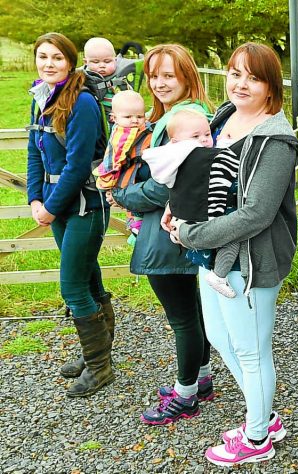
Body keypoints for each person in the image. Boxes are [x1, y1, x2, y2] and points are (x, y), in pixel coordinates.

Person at [166, 42, 297, 467]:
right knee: (221, 339)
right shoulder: (223, 117)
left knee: (251, 350)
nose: (241, 84)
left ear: (271, 86)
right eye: (235, 73)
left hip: (250, 260)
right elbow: (197, 171)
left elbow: (257, 213)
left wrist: (192, 234)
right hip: (211, 255)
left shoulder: (276, 140)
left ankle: (257, 435)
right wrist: (176, 210)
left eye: (253, 77)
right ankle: (266, 416)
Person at [107, 44, 214, 425]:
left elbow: (163, 185)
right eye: (154, 75)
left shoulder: (187, 120)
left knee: (182, 317)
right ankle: (201, 379)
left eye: (169, 75)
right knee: (191, 311)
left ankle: (185, 395)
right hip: (169, 230)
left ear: (187, 75)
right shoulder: (174, 116)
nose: (159, 82)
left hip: (167, 233)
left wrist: (120, 194)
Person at [27, 32, 113, 397]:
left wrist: (49, 208)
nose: (49, 63)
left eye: (57, 58)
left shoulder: (83, 102)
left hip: (84, 206)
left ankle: (99, 369)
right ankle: (96, 353)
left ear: (71, 61)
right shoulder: (41, 96)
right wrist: (35, 198)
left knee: (72, 285)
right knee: (88, 277)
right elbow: (35, 152)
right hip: (56, 205)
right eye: (42, 56)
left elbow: (78, 166)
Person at [143, 109, 241, 298]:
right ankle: (219, 275)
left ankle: (181, 240)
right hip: (204, 214)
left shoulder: (170, 159)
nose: (204, 140)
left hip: (184, 214)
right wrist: (229, 144)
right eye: (195, 136)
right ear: (175, 142)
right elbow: (226, 156)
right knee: (234, 237)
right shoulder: (199, 156)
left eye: (206, 134)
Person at [93, 90, 148, 236]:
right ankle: (134, 223)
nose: (135, 120)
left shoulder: (137, 130)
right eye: (128, 116)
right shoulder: (121, 135)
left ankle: (135, 222)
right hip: (118, 176)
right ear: (114, 118)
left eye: (140, 116)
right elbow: (113, 158)